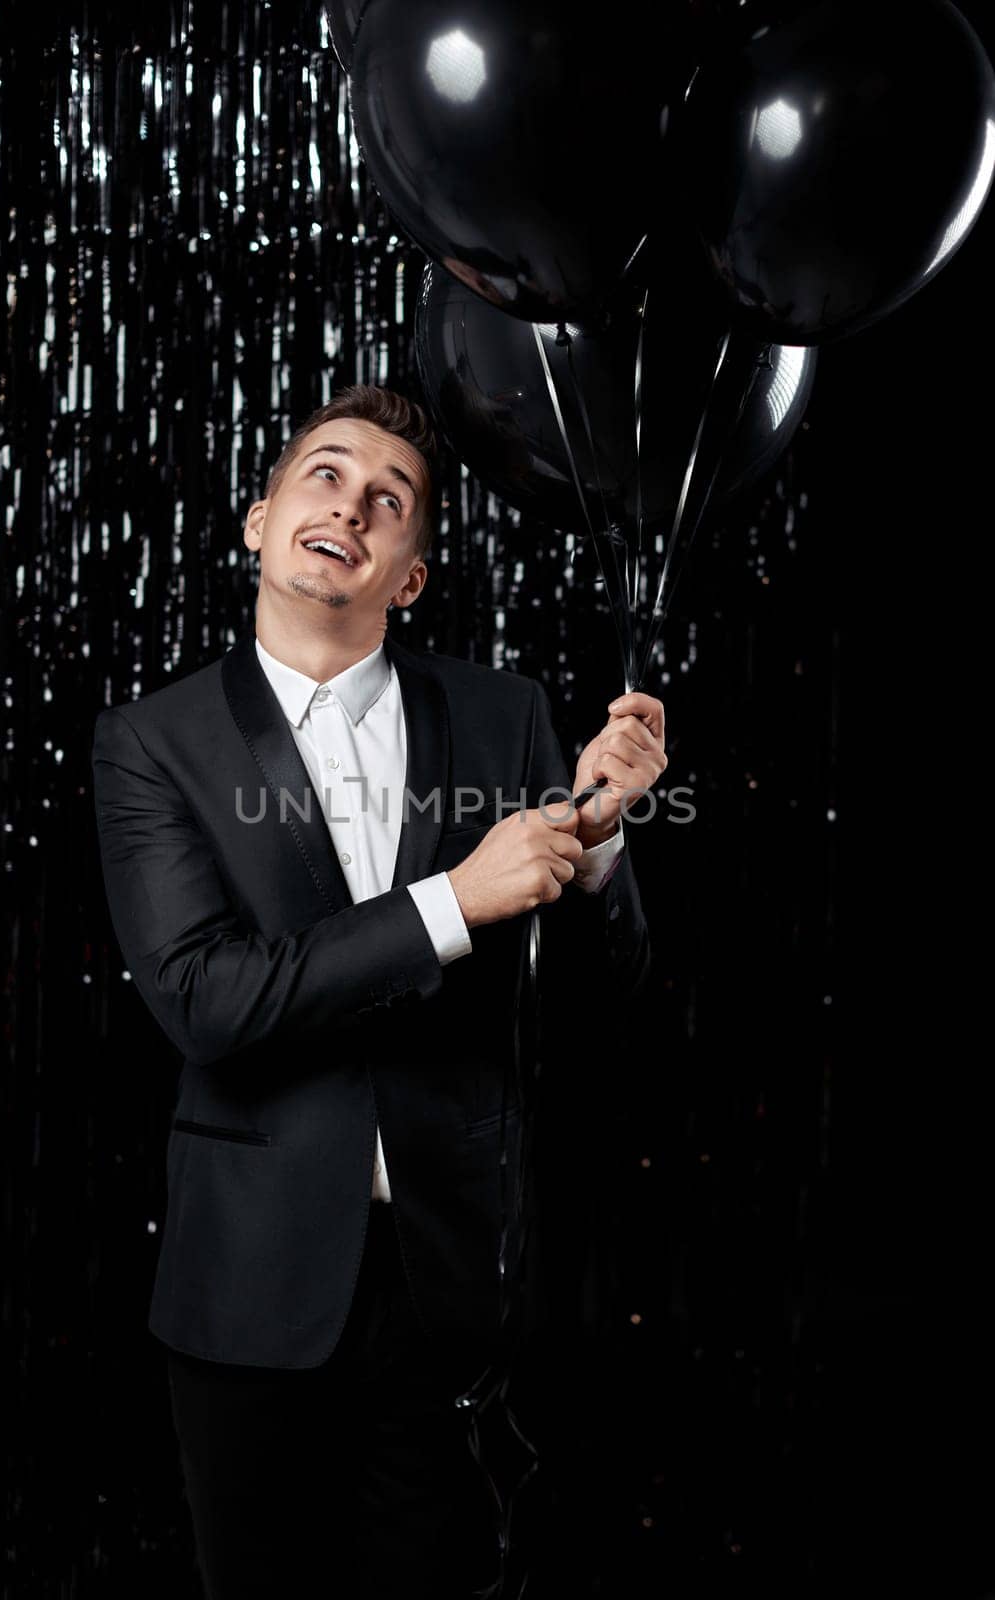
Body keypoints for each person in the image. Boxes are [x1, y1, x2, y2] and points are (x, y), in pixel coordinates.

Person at [91, 383, 665, 1598]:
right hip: (247, 1289)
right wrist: (456, 898)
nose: (350, 505)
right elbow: (204, 999)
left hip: (455, 1285)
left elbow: (600, 1002)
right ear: (259, 521)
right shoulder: (151, 741)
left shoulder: (504, 715)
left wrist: (602, 838)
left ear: (408, 575)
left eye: (387, 499)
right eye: (325, 474)